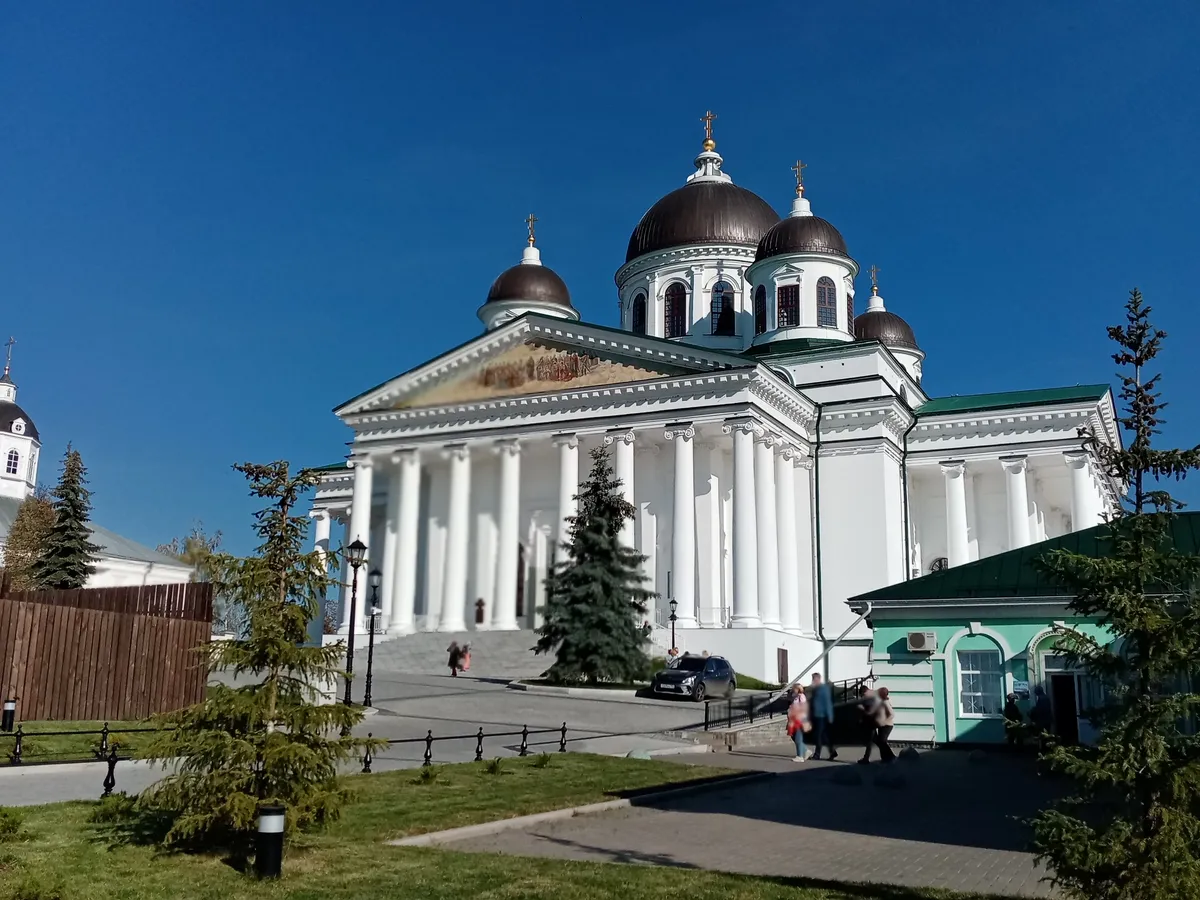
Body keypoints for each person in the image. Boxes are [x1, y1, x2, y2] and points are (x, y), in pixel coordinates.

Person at [809, 673, 837, 761]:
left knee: (818, 735)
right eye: (813, 679)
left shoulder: (824, 689)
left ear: (818, 679)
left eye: (815, 679)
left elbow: (827, 702)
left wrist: (830, 716)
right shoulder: (815, 689)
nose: (813, 680)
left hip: (822, 716)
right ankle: (832, 752)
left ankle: (817, 755)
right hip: (816, 715)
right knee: (823, 736)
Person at [786, 683, 811, 762]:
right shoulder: (795, 697)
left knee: (798, 737)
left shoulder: (801, 697)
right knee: (793, 736)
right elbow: (788, 698)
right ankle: (806, 751)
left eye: (794, 689)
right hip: (794, 719)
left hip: (799, 719)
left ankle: (800, 756)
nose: (793, 690)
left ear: (798, 689)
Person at [872, 686, 896, 763]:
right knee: (880, 741)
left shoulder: (885, 702)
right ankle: (885, 757)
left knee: (882, 741)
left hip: (887, 725)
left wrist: (884, 721)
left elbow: (892, 714)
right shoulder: (881, 702)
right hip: (882, 726)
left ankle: (890, 756)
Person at [857, 685, 880, 764]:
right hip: (872, 722)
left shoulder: (869, 699)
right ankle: (888, 755)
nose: (862, 696)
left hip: (870, 723)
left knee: (869, 741)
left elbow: (869, 712)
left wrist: (862, 709)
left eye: (862, 694)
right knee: (876, 741)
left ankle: (866, 758)